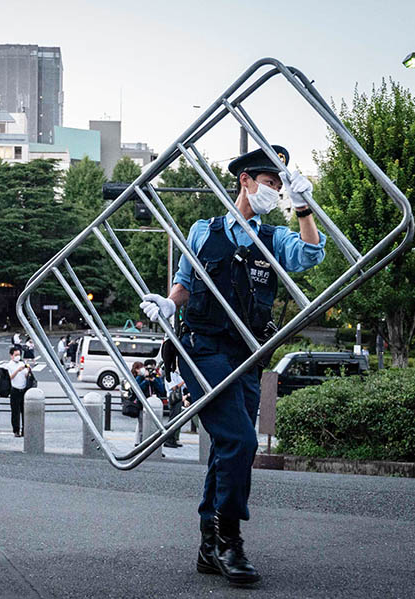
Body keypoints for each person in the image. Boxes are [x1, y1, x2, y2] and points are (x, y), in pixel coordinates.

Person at [140, 146, 326, 585]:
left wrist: (304, 209)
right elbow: (186, 282)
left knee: (228, 447)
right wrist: (167, 303)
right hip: (202, 349)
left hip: (247, 355)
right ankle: (230, 542)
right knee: (241, 440)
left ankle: (209, 544)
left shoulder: (274, 237)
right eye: (269, 181)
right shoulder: (205, 230)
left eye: (279, 185)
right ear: (245, 180)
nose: (274, 190)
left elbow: (310, 255)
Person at [4, 347, 30, 437]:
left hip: (23, 389)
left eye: (19, 354)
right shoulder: (9, 365)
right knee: (15, 412)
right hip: (14, 389)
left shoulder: (22, 363)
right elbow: (9, 378)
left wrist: (28, 370)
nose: (18, 357)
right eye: (16, 355)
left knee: (24, 411)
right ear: (11, 356)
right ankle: (16, 430)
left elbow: (26, 375)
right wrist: (17, 370)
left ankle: (24, 429)